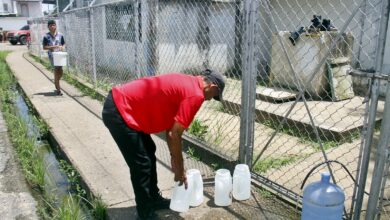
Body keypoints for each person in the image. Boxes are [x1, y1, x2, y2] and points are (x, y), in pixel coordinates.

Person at [102, 69, 225, 219]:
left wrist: (175, 159)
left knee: (148, 151)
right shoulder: (196, 95)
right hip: (120, 111)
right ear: (212, 87)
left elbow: (171, 131)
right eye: (213, 97)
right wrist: (180, 169)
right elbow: (175, 134)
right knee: (141, 163)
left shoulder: (189, 82)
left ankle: (153, 199)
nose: (209, 100)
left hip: (123, 106)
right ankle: (145, 213)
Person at [42, 20, 65, 96]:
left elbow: (63, 43)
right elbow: (44, 47)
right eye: (50, 25)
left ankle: (56, 80)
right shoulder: (46, 36)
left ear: (56, 26)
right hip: (52, 56)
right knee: (56, 69)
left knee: (60, 71)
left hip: (60, 55)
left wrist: (62, 47)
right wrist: (53, 47)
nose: (52, 26)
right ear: (48, 27)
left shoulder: (60, 35)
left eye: (53, 25)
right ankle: (58, 89)